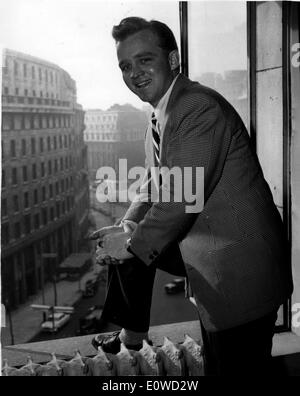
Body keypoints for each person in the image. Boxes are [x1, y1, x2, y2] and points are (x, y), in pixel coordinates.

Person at [89, 17, 293, 375]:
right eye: (125, 65)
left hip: (239, 268)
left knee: (234, 367)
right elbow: (154, 184)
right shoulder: (162, 114)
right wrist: (127, 226)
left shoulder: (196, 107)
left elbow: (182, 196)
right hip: (211, 246)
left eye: (144, 60)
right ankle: (132, 333)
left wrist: (133, 241)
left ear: (172, 60)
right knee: (130, 237)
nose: (134, 73)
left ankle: (133, 332)